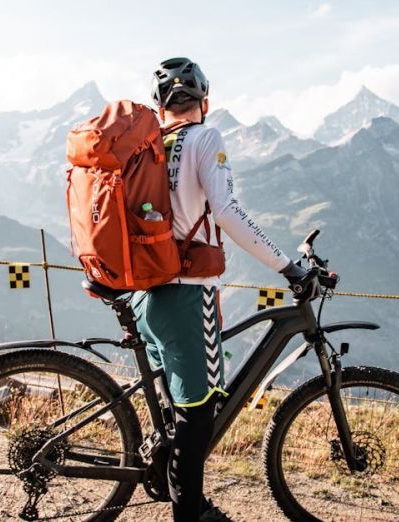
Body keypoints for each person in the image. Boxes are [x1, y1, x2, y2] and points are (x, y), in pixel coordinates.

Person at [132, 57, 315, 522]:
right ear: (205, 103)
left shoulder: (151, 144)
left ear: (160, 105)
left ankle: (185, 496)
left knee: (180, 409)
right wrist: (288, 267)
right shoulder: (204, 137)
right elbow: (227, 212)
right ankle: (188, 515)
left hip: (146, 293)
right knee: (198, 416)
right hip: (188, 294)